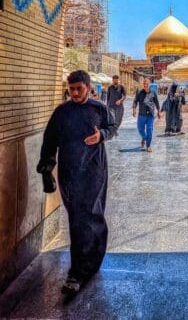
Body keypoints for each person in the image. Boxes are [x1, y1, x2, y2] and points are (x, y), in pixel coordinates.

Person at [36, 70, 116, 296]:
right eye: (71, 89)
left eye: (79, 88)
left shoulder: (98, 109)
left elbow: (112, 127)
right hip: (69, 173)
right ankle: (86, 264)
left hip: (94, 172)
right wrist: (46, 168)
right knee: (77, 218)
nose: (75, 93)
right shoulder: (61, 113)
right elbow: (50, 141)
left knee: (89, 216)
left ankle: (78, 272)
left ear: (89, 87)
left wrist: (101, 135)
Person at [133, 77, 161, 152]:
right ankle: (144, 138)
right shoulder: (139, 92)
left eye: (147, 83)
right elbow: (135, 101)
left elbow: (157, 102)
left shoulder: (153, 93)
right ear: (143, 84)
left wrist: (159, 111)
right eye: (144, 83)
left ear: (149, 84)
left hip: (150, 115)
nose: (145, 85)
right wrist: (134, 109)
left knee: (149, 130)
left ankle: (148, 146)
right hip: (141, 114)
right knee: (140, 129)